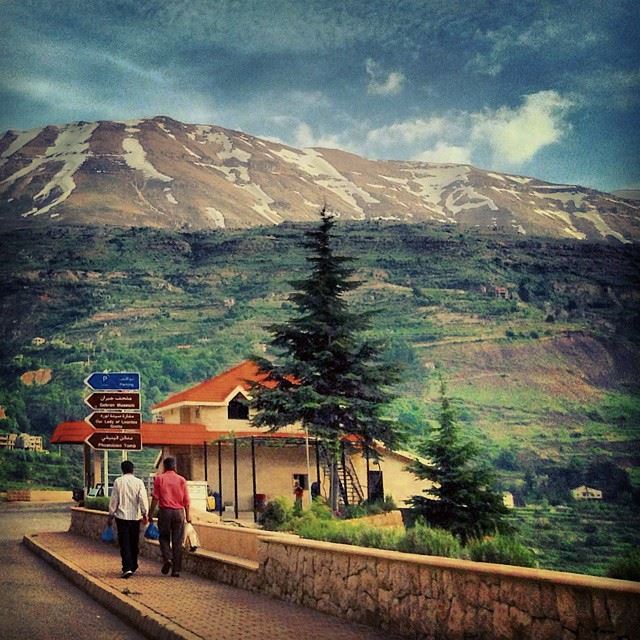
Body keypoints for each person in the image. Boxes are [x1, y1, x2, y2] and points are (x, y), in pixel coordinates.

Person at [149, 457, 191, 578]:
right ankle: (176, 570)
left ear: (164, 467)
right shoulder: (182, 480)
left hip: (165, 512)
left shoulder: (159, 479)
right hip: (178, 513)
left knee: (164, 537)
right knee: (177, 541)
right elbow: (186, 500)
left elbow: (155, 498)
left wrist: (150, 513)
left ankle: (167, 558)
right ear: (174, 467)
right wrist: (188, 516)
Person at [107, 460, 149, 579]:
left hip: (121, 517)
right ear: (133, 469)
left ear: (122, 470)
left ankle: (127, 568)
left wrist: (111, 515)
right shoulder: (139, 482)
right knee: (134, 542)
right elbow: (142, 499)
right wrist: (145, 513)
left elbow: (114, 500)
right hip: (135, 518)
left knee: (124, 543)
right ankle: (133, 564)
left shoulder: (118, 482)